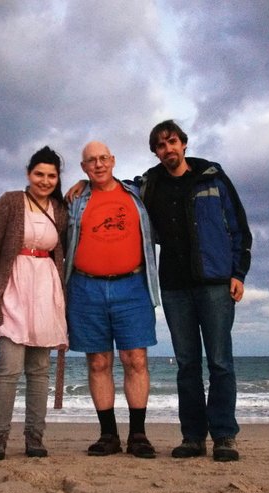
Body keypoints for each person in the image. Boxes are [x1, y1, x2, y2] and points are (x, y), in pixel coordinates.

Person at [139, 120, 251, 462]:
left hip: (215, 284)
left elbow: (239, 227)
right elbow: (116, 192)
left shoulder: (213, 177)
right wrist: (85, 182)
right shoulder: (149, 185)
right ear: (156, 152)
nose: (167, 149)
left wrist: (238, 272)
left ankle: (224, 437)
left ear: (184, 144)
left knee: (220, 362)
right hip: (174, 287)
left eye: (172, 142)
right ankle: (192, 437)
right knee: (187, 365)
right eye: (160, 145)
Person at [65, 141, 161, 459]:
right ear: (83, 168)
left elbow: (171, 172)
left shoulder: (138, 193)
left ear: (114, 160)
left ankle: (138, 435)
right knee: (98, 362)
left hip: (133, 286)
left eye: (103, 158)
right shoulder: (75, 200)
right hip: (85, 288)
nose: (98, 164)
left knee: (135, 360)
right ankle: (108, 436)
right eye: (91, 161)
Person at [0, 146, 68, 460]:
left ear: (58, 179)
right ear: (28, 174)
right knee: (8, 368)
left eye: (51, 176)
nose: (45, 181)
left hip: (46, 286)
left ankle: (35, 439)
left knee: (40, 369)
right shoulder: (10, 201)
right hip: (12, 285)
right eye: (39, 174)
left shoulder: (60, 209)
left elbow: (66, 248)